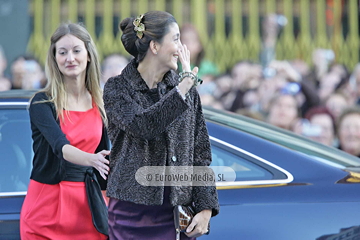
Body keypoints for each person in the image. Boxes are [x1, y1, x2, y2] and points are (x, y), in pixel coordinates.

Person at [103, 11, 219, 240]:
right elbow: (144, 125)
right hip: (131, 213)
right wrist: (184, 87)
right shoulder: (117, 88)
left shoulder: (185, 89)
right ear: (154, 47)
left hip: (177, 212)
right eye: (175, 39)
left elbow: (201, 153)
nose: (181, 47)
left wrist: (206, 207)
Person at [20, 22, 110, 239]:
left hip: (90, 209)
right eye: (62, 52)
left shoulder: (100, 103)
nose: (70, 58)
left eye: (76, 51)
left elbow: (104, 161)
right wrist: (92, 159)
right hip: (46, 211)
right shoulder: (42, 103)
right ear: (55, 59)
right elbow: (61, 147)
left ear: (88, 55)